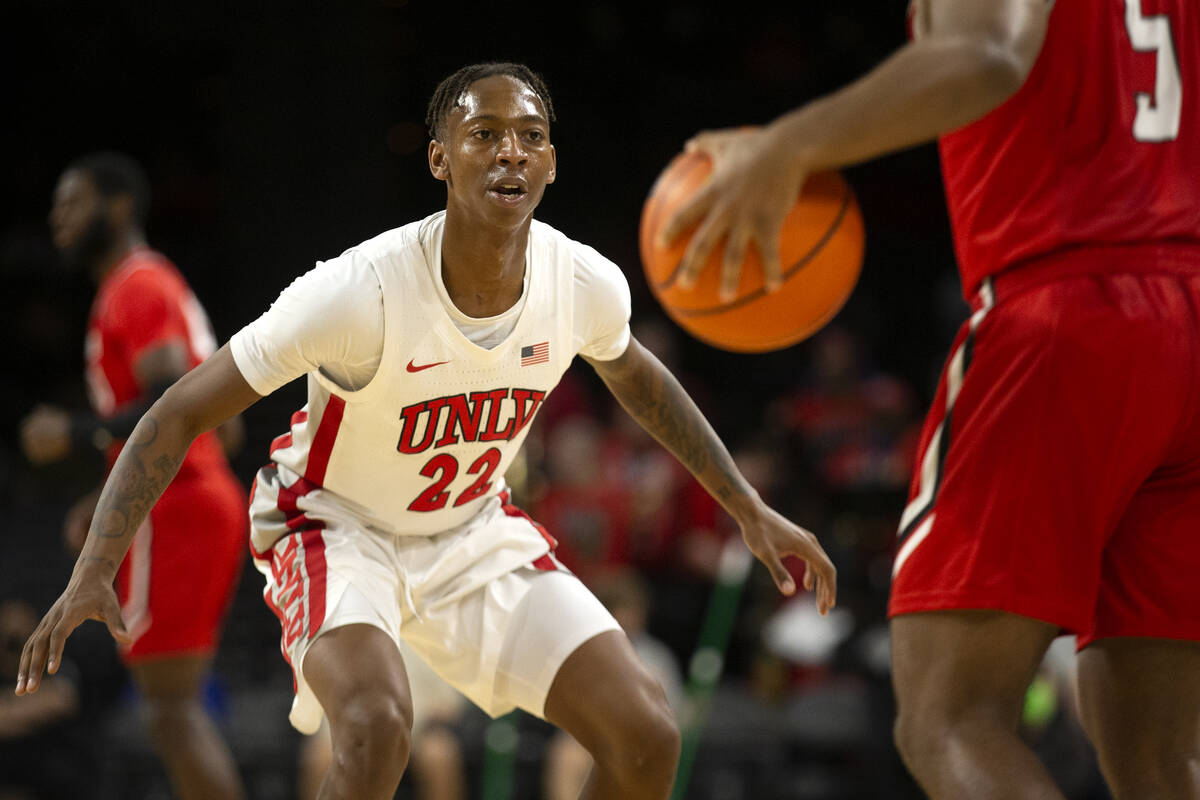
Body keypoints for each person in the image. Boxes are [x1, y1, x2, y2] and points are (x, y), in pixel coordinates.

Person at [15, 63, 837, 800]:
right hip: (332, 524)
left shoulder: (584, 283)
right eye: (485, 135)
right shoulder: (354, 292)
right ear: (441, 158)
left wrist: (746, 505)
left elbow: (640, 380)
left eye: (531, 137)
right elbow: (178, 408)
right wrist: (96, 566)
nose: (511, 152)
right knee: (376, 729)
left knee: (648, 733)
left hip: (471, 528)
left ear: (550, 162)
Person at [660, 2, 1200, 798]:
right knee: (1157, 751)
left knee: (949, 718)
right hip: (1188, 314)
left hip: (1065, 308)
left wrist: (788, 145)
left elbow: (985, 55)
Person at [16, 152, 248, 800]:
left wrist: (74, 431)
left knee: (170, 711)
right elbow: (213, 419)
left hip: (178, 502)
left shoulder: (137, 284)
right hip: (185, 495)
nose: (58, 220)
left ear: (117, 207)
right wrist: (104, 495)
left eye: (73, 204)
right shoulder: (142, 283)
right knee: (170, 711)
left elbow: (173, 394)